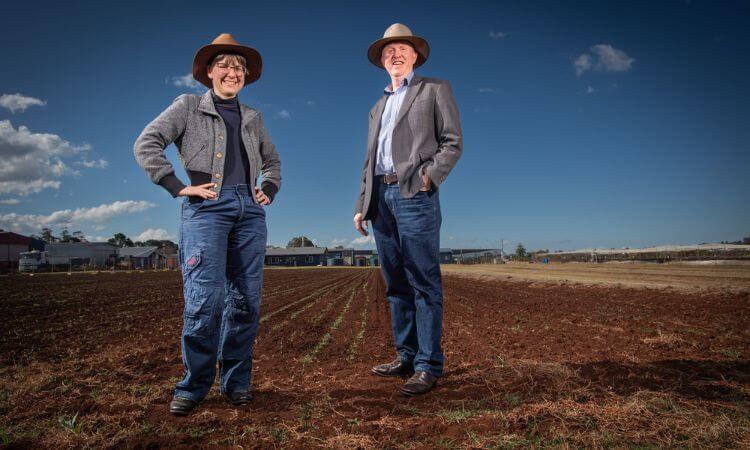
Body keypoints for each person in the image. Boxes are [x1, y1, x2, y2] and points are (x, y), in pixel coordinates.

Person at [134, 33, 281, 415]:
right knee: (205, 300)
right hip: (207, 209)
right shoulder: (187, 107)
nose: (233, 71)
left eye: (239, 67)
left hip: (249, 211)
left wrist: (267, 188)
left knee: (246, 301)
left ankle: (236, 382)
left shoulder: (253, 118)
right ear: (209, 72)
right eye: (225, 65)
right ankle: (194, 385)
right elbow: (146, 143)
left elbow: (273, 162)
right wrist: (177, 186)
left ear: (245, 76)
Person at [353, 23, 462, 396]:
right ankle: (406, 355)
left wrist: (429, 177)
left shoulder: (434, 89)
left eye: (402, 49)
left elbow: (452, 142)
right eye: (388, 51)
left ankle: (428, 365)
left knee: (423, 281)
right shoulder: (377, 106)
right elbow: (370, 160)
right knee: (395, 283)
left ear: (415, 55)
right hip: (380, 200)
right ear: (382, 61)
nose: (395, 55)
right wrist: (361, 203)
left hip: (414, 193)